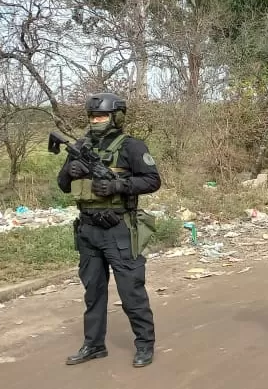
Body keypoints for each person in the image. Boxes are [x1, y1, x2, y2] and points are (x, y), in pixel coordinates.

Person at [58, 92, 161, 368]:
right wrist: (72, 171)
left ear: (116, 117)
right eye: (93, 116)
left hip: (120, 229)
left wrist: (119, 186)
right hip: (88, 230)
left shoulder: (132, 147)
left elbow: (152, 180)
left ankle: (144, 345)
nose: (96, 120)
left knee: (131, 292)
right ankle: (93, 345)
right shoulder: (80, 146)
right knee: (93, 293)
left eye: (102, 115)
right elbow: (62, 185)